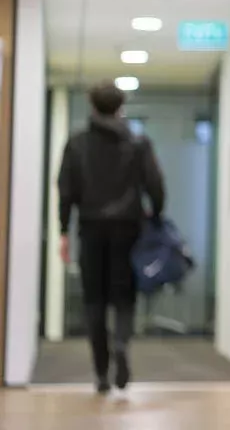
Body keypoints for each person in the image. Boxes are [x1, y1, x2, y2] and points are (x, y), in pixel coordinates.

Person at [58, 80, 166, 394]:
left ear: (92, 106)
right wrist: (155, 216)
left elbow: (66, 189)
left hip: (90, 227)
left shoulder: (77, 143)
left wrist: (64, 229)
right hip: (128, 228)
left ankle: (101, 371)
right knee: (123, 295)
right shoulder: (138, 143)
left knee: (94, 299)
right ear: (121, 108)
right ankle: (121, 343)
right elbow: (156, 185)